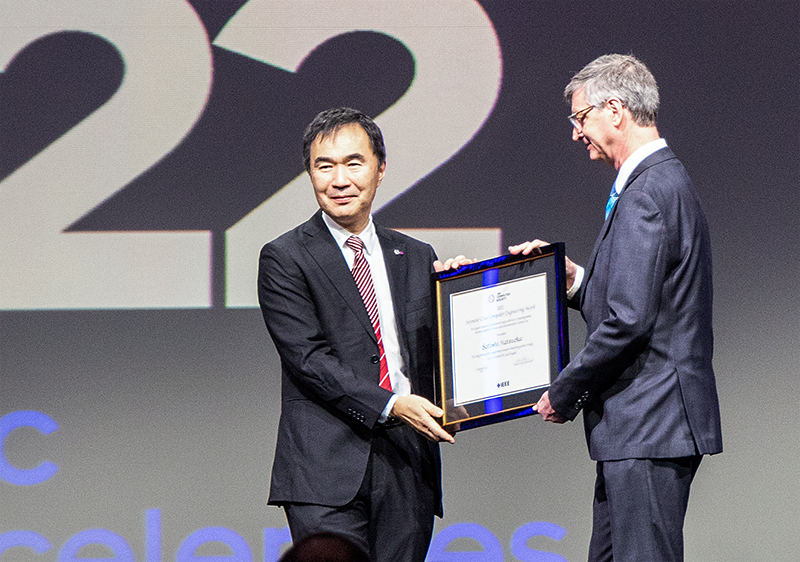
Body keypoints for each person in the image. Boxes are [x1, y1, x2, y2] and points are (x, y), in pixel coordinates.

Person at [510, 54, 723, 562]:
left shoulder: (648, 190)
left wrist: (564, 391)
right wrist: (574, 280)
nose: (576, 133)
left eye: (579, 119)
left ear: (614, 110)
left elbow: (629, 320)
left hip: (648, 424)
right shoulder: (657, 182)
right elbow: (640, 301)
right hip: (641, 427)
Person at [257, 107, 455, 562]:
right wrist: (390, 404)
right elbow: (308, 359)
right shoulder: (285, 258)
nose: (339, 179)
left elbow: (436, 351)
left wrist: (462, 294)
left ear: (380, 169)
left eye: (353, 163)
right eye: (324, 166)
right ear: (310, 174)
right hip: (325, 467)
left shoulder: (416, 255)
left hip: (408, 461)